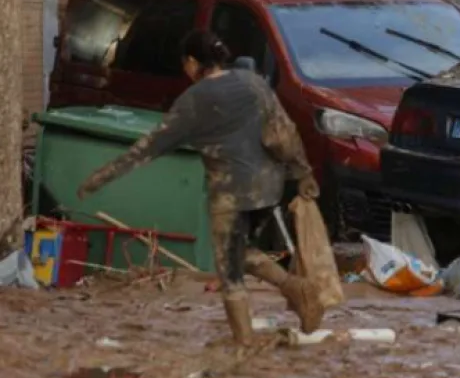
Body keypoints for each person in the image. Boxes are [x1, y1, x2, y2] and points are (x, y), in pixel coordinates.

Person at [78, 30, 325, 345]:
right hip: (269, 187)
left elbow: (148, 147)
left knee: (229, 268)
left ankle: (245, 340)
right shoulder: (253, 83)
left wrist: (100, 177)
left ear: (193, 62)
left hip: (231, 192)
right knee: (240, 253)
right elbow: (284, 132)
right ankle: (295, 290)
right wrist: (303, 173)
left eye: (185, 64)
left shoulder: (194, 100)